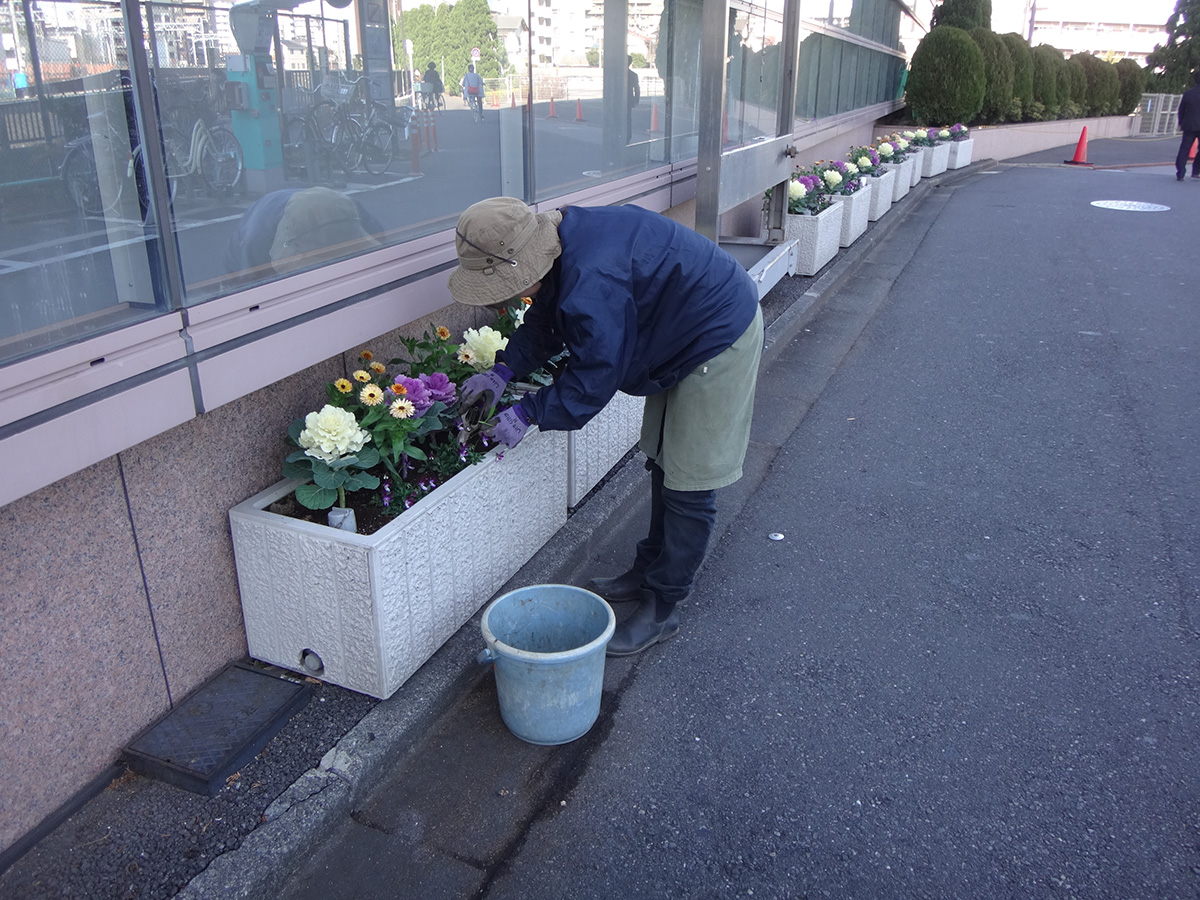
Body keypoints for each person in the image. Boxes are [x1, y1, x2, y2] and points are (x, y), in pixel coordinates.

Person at [447, 197, 763, 657]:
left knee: (689, 480)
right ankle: (648, 568)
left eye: (505, 287)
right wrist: (504, 370)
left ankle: (664, 605)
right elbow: (546, 317)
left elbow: (597, 370)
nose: (508, 297)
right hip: (675, 332)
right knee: (661, 461)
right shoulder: (562, 242)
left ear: (524, 261)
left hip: (716, 334)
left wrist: (529, 412)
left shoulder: (593, 277)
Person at [222, 186, 383, 280]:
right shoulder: (257, 240)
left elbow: (380, 250)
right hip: (243, 257)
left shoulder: (348, 209)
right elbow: (248, 290)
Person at [1176, 70, 1200, 182]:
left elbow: (1181, 110)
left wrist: (1181, 122)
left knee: (1184, 148)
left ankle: (1180, 172)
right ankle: (1196, 171)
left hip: (1189, 125)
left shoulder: (1188, 93)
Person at [626, 55, 641, 143]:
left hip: (618, 101)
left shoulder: (618, 74)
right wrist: (636, 100)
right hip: (629, 100)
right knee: (627, 119)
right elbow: (637, 88)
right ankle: (628, 137)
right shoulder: (633, 75)